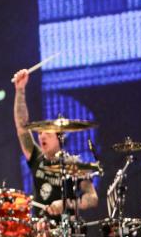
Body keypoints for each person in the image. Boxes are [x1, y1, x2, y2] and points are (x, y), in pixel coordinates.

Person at [12, 69, 98, 217]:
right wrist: (20, 90)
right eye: (39, 133)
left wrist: (66, 204)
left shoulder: (74, 165)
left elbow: (92, 198)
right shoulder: (37, 158)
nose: (42, 137)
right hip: (41, 231)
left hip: (66, 230)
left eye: (47, 133)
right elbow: (22, 127)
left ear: (60, 138)